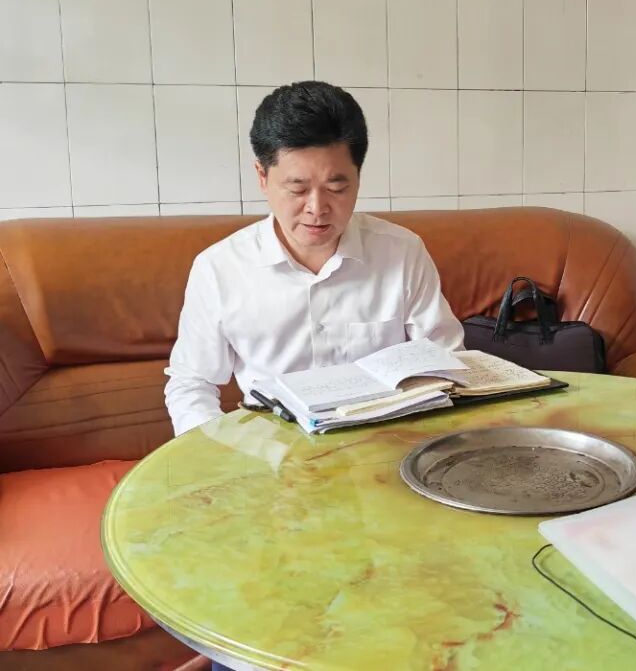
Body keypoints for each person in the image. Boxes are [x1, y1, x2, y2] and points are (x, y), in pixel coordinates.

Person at [165, 81, 463, 438]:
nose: (317, 208)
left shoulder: (401, 252)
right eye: (298, 189)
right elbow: (192, 384)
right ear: (262, 177)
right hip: (273, 452)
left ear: (358, 177)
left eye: (337, 188)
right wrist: (221, 457)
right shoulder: (219, 269)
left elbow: (446, 360)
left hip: (383, 443)